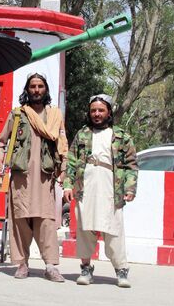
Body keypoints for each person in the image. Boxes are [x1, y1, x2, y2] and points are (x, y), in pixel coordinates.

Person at [0, 73, 68, 282]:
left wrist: (63, 169)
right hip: (21, 176)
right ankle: (22, 263)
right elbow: (1, 142)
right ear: (27, 90)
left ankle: (50, 265)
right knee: (20, 219)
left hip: (45, 176)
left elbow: (62, 144)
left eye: (40, 86)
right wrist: (0, 160)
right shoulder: (18, 114)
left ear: (46, 90)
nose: (36, 90)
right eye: (33, 86)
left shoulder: (54, 115)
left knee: (46, 220)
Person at [63, 94, 138, 288]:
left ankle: (121, 270)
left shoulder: (121, 135)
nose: (96, 114)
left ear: (109, 112)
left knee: (114, 228)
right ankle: (86, 268)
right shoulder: (82, 134)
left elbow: (131, 165)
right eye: (93, 110)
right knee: (85, 227)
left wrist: (130, 188)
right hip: (85, 184)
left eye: (101, 110)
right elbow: (71, 161)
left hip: (111, 185)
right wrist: (68, 185)